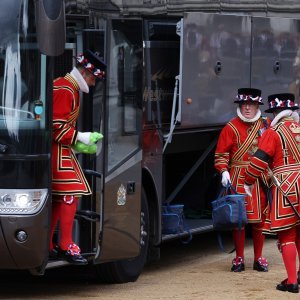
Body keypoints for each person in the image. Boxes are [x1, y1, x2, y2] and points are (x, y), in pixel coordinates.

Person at [49, 50, 106, 265]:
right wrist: (81, 137)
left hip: (60, 150)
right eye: (93, 78)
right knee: (70, 193)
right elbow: (56, 127)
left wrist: (78, 143)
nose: (92, 84)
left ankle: (51, 243)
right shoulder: (66, 89)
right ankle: (66, 244)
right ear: (85, 72)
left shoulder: (66, 85)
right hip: (57, 152)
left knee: (59, 198)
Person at [244, 93, 300, 293]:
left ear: (275, 112)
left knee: (288, 236)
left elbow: (259, 161)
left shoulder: (273, 132)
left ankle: (292, 281)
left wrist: (248, 181)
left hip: (286, 185)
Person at [214, 88, 271, 272]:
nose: (247, 108)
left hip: (259, 176)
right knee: (238, 219)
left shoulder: (266, 125)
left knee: (259, 220)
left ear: (257, 106)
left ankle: (259, 258)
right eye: (244, 104)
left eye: (251, 105)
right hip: (237, 176)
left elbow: (273, 149)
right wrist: (223, 171)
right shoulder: (230, 127)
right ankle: (239, 258)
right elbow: (221, 154)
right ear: (240, 106)